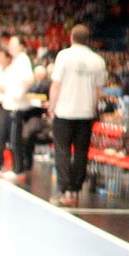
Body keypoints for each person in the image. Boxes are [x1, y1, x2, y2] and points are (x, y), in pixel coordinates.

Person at [49, 23, 106, 206]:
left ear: (71, 38)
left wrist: (52, 106)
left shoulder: (63, 56)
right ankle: (74, 192)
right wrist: (94, 108)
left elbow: (56, 85)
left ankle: (64, 190)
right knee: (81, 153)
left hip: (64, 112)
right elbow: (98, 91)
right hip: (85, 113)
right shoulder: (97, 60)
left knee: (63, 152)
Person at [2, 36, 36, 182]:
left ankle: (18, 169)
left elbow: (29, 79)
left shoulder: (23, 60)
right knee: (13, 138)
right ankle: (16, 168)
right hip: (13, 104)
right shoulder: (17, 61)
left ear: (21, 46)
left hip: (18, 105)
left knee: (16, 138)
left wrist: (19, 94)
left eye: (13, 44)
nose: (10, 47)